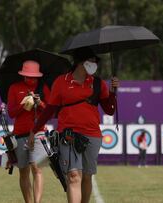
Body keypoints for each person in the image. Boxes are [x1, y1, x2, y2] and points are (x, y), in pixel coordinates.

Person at [30, 47, 119, 203]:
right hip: (68, 134)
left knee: (86, 176)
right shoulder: (61, 82)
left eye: (95, 61)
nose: (94, 64)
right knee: (73, 176)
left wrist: (112, 92)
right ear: (80, 62)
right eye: (91, 60)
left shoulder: (98, 83)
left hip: (92, 135)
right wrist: (34, 130)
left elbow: (110, 110)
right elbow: (49, 110)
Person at [7, 60, 51, 203]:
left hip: (38, 133)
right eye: (26, 76)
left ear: (37, 77)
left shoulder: (43, 88)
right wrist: (23, 105)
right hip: (19, 134)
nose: (29, 79)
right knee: (23, 170)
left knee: (36, 167)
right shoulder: (14, 88)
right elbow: (11, 113)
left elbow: (49, 111)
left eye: (32, 77)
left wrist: (40, 103)